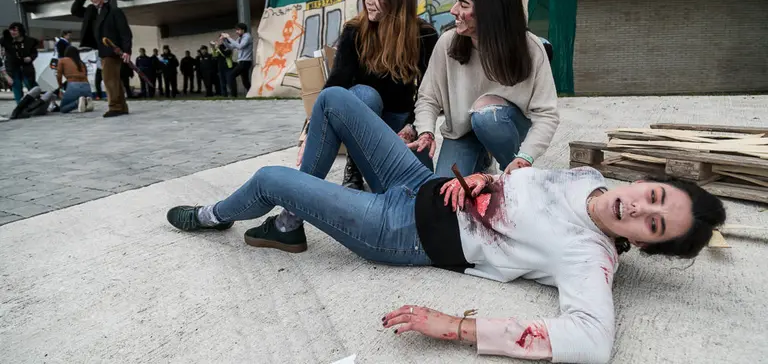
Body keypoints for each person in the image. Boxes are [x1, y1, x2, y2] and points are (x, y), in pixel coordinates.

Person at [166, 87, 725, 364]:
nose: (639, 210)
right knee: (337, 99)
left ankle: (215, 216)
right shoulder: (588, 176)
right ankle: (289, 226)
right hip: (420, 182)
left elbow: (593, 341)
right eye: (654, 197)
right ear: (646, 180)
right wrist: (485, 181)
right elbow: (522, 190)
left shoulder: (590, 258)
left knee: (271, 177)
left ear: (643, 243)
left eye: (654, 225)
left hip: (401, 231)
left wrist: (457, 328)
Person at [410, 0, 559, 177]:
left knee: (487, 115)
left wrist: (525, 156)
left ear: (489, 12)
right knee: (445, 194)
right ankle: (482, 161)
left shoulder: (531, 48)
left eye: (463, 4)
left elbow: (547, 114)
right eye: (456, 1)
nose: (453, 10)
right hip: (462, 134)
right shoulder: (447, 43)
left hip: (507, 127)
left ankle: (516, 176)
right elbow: (428, 97)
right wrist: (426, 130)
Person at [307, 0, 438, 191]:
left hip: (399, 123)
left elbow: (430, 89)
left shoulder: (423, 34)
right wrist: (310, 129)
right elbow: (337, 83)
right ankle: (355, 167)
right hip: (363, 117)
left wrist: (412, 127)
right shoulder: (355, 30)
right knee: (365, 95)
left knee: (420, 189)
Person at [71, 0, 132, 117]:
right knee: (114, 79)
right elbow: (75, 11)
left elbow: (125, 32)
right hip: (102, 49)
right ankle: (121, 107)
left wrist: (127, 51)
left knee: (109, 78)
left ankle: (115, 107)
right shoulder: (91, 11)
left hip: (113, 49)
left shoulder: (114, 11)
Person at [0, 22, 39, 104]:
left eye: (15, 30)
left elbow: (34, 53)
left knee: (30, 84)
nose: (12, 32)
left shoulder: (29, 41)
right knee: (16, 86)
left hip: (26, 67)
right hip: (13, 67)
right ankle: (20, 105)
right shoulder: (6, 41)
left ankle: (37, 102)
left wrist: (30, 58)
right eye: (11, 30)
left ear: (20, 31)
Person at [56, 45, 94, 113]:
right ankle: (86, 101)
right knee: (80, 97)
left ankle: (77, 102)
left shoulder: (62, 60)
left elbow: (59, 75)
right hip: (86, 87)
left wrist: (60, 88)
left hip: (73, 85)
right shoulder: (81, 63)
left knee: (63, 108)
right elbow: (86, 76)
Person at [220, 22, 253, 97]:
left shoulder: (247, 37)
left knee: (231, 76)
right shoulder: (240, 38)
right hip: (242, 61)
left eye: (238, 30)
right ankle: (252, 94)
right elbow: (231, 46)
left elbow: (240, 46)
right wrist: (224, 40)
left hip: (245, 61)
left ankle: (234, 95)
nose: (236, 32)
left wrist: (229, 37)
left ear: (243, 30)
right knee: (245, 81)